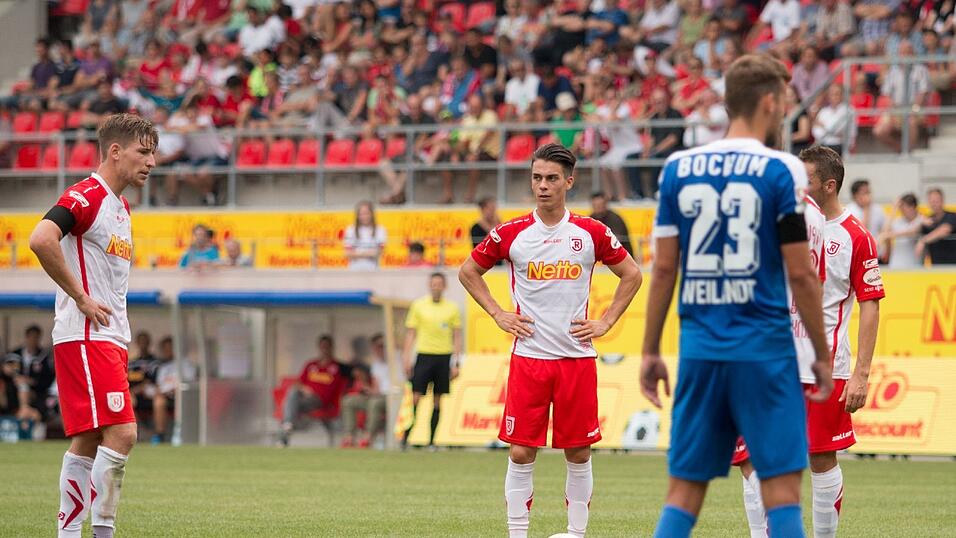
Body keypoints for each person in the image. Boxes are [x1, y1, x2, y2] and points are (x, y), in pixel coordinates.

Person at [640, 55, 832, 538]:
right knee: (783, 493)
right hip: (763, 352)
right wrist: (821, 353)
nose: (785, 107)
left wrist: (649, 350)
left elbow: (664, 268)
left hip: (701, 352)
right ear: (769, 100)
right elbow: (801, 273)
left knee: (683, 494)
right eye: (784, 99)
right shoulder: (782, 169)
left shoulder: (678, 167)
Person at [459, 144, 642, 538]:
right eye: (537, 178)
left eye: (552, 179)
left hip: (576, 359)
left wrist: (607, 320)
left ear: (569, 182)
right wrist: (498, 313)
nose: (543, 186)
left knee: (578, 451)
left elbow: (632, 274)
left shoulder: (590, 232)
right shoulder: (512, 233)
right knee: (521, 451)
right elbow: (468, 271)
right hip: (529, 358)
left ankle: (575, 533)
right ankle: (517, 533)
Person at [28, 113, 157, 538]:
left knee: (88, 440)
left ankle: (68, 535)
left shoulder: (120, 208)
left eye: (153, 152)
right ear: (115, 151)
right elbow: (41, 238)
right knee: (124, 433)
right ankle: (103, 532)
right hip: (86, 335)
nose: (151, 161)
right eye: (143, 151)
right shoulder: (86, 196)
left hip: (107, 338)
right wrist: (81, 297)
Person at [727, 147, 825, 537]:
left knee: (749, 456)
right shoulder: (815, 217)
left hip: (762, 347)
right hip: (797, 349)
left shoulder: (777, 215)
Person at [400, 273, 462, 450]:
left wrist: (456, 362)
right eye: (433, 284)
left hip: (443, 356)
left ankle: (432, 441)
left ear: (444, 286)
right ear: (429, 285)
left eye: (439, 284)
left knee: (437, 399)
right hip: (424, 355)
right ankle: (406, 436)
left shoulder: (452, 308)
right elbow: (411, 333)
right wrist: (406, 358)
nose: (436, 287)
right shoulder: (419, 306)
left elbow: (457, 336)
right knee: (416, 397)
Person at [279, 335, 348, 447]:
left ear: (331, 348)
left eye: (327, 346)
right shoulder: (311, 365)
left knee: (289, 403)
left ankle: (286, 427)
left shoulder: (338, 367)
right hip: (305, 398)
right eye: (322, 346)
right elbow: (298, 382)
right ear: (319, 347)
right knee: (293, 392)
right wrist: (304, 388)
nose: (324, 349)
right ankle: (287, 426)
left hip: (320, 400)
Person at [10, 325, 56, 425]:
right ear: (26, 337)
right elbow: (7, 368)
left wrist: (31, 381)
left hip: (37, 393)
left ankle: (26, 411)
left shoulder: (43, 357)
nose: (33, 340)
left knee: (38, 412)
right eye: (31, 337)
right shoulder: (16, 354)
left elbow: (47, 379)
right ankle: (24, 408)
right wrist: (15, 376)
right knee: (22, 386)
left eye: (36, 337)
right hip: (14, 391)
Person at [339, 360, 387, 448]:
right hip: (372, 397)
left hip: (386, 397)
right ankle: (349, 437)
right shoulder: (376, 365)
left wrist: (371, 391)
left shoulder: (394, 363)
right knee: (348, 401)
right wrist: (368, 390)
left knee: (374, 403)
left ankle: (367, 437)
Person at [880, 193, 924, 269]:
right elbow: (884, 230)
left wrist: (889, 235)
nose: (901, 210)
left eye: (904, 207)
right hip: (895, 266)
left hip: (914, 267)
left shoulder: (921, 219)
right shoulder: (898, 221)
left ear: (912, 207)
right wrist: (893, 209)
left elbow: (912, 231)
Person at [344, 201, 387, 270]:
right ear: (357, 215)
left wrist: (358, 253)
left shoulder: (380, 230)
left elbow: (380, 252)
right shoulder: (350, 229)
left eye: (367, 213)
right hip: (354, 271)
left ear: (372, 214)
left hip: (373, 270)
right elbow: (348, 253)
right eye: (361, 214)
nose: (364, 216)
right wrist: (369, 253)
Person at [917, 188, 956, 265]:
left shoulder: (951, 216)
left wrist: (923, 240)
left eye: (936, 200)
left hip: (953, 266)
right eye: (931, 201)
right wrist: (919, 222)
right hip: (936, 267)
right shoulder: (927, 220)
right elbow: (914, 232)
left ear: (942, 201)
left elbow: (944, 230)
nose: (934, 203)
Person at [590, 191, 634, 257]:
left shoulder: (615, 219)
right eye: (595, 205)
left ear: (605, 204)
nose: (598, 207)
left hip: (620, 257)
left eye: (600, 205)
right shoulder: (590, 219)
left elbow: (615, 242)